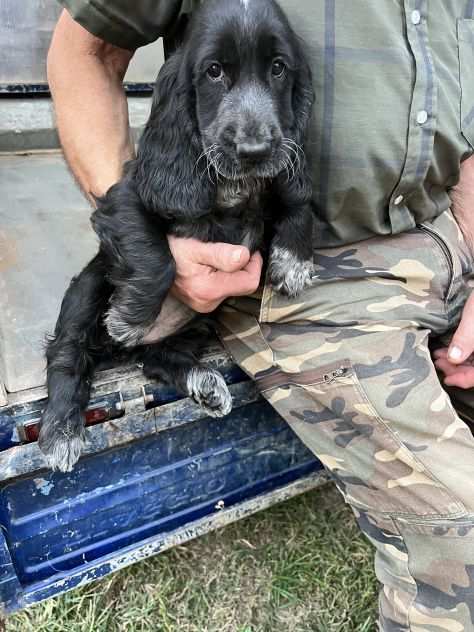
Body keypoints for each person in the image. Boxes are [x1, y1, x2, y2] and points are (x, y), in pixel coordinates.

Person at [48, 1, 474, 629]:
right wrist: (147, 246)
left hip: (451, 235)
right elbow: (82, 53)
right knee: (462, 543)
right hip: (316, 274)